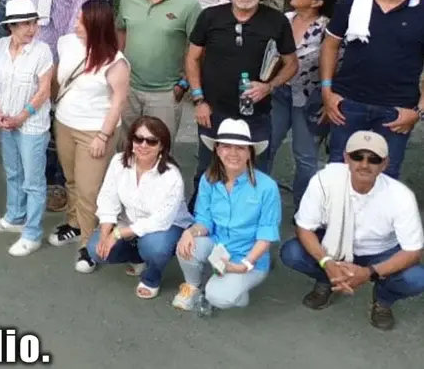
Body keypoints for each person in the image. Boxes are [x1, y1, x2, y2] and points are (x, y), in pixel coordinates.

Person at [280, 130, 424, 330]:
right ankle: (328, 279)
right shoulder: (325, 180)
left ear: (384, 164)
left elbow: (413, 251)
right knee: (292, 253)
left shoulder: (400, 196)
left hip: (380, 252)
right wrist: (327, 263)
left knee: (416, 279)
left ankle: (383, 299)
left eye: (373, 159)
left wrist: (368, 273)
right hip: (333, 245)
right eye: (357, 156)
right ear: (346, 158)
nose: (364, 164)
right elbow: (304, 227)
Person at [184, 0, 297, 193]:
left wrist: (269, 86)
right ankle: (201, 214)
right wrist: (199, 99)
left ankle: (254, 215)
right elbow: (192, 58)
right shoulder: (210, 17)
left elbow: (291, 64)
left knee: (256, 173)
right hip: (213, 112)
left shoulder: (276, 21)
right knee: (207, 171)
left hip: (257, 114)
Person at [321, 0, 424, 180]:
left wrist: (419, 111)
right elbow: (330, 43)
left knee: (385, 177)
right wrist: (327, 91)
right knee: (338, 172)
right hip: (348, 103)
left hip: (397, 111)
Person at [48, 0, 130, 274]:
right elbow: (59, 78)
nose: (75, 24)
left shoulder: (116, 62)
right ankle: (74, 224)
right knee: (71, 179)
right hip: (64, 123)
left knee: (89, 190)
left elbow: (118, 102)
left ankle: (89, 244)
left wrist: (103, 136)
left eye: (81, 21)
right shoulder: (67, 43)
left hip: (95, 130)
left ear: (96, 26)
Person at [174, 119, 282, 311]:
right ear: (217, 150)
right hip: (218, 245)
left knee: (219, 297)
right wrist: (190, 232)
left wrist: (244, 265)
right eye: (226, 146)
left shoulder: (267, 187)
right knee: (186, 246)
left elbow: (266, 235)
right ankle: (193, 285)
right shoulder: (208, 179)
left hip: (248, 256)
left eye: (240, 148)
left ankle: (234, 287)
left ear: (249, 152)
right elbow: (204, 220)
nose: (233, 153)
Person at [87, 116, 193, 299]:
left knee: (155, 247)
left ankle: (152, 276)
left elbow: (160, 220)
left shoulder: (171, 176)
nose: (143, 145)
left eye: (151, 141)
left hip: (167, 225)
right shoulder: (119, 162)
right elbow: (108, 198)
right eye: (138, 139)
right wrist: (105, 234)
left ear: (162, 146)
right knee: (95, 248)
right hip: (131, 221)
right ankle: (137, 258)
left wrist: (117, 234)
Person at [0, 0, 55, 256]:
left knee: (33, 181)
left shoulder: (42, 50)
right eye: (25, 24)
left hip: (32, 124)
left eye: (33, 23)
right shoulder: (2, 45)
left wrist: (21, 117)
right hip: (7, 121)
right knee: (13, 172)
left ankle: (32, 233)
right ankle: (15, 216)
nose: (31, 29)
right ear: (11, 26)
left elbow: (44, 91)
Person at [116, 0, 202, 137]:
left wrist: (183, 84)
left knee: (159, 146)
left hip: (166, 93)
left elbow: (198, 48)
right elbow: (121, 29)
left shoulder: (188, 5)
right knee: (125, 146)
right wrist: (118, 66)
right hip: (129, 88)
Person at [270, 0, 340, 203]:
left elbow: (341, 66)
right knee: (265, 146)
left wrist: (331, 98)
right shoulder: (285, 19)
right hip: (279, 93)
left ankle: (305, 208)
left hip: (311, 99)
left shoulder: (328, 30)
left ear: (317, 2)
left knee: (305, 157)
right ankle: (256, 198)